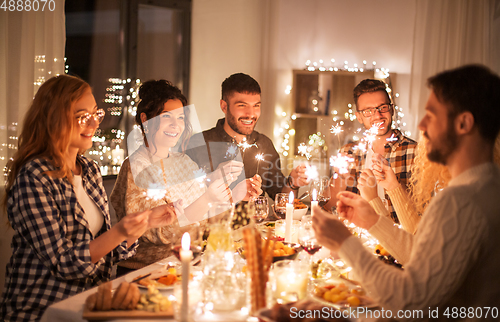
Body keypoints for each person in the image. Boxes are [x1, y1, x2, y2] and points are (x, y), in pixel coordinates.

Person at [313, 65, 500, 318]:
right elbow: (418, 255)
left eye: (431, 115)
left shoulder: (460, 201)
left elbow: (411, 300)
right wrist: (372, 218)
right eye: (368, 111)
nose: (422, 125)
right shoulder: (487, 185)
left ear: (464, 123)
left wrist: (344, 243)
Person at [0, 75, 175, 321]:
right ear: (54, 119)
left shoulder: (89, 170)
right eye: (83, 116)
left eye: (96, 114)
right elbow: (65, 263)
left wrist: (141, 225)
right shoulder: (34, 176)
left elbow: (104, 253)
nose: (94, 123)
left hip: (91, 304)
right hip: (45, 309)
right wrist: (119, 232)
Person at [110, 80, 261, 275]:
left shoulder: (183, 161)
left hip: (185, 266)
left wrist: (235, 194)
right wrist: (207, 198)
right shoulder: (137, 167)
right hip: (145, 273)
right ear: (146, 120)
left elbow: (205, 221)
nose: (176, 125)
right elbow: (159, 233)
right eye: (166, 117)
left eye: (181, 118)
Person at [186, 73, 308, 203]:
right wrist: (213, 178)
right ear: (224, 106)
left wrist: (293, 183)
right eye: (242, 105)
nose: (251, 114)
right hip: (212, 223)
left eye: (256, 106)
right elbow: (184, 199)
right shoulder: (199, 143)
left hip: (255, 222)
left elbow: (282, 200)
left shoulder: (264, 144)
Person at [328, 79, 417, 223]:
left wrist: (395, 186)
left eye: (383, 107)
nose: (377, 115)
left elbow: (420, 216)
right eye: (368, 111)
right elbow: (330, 206)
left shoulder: (415, 152)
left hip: (397, 241)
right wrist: (341, 178)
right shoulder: (348, 152)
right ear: (359, 117)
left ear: (392, 109)